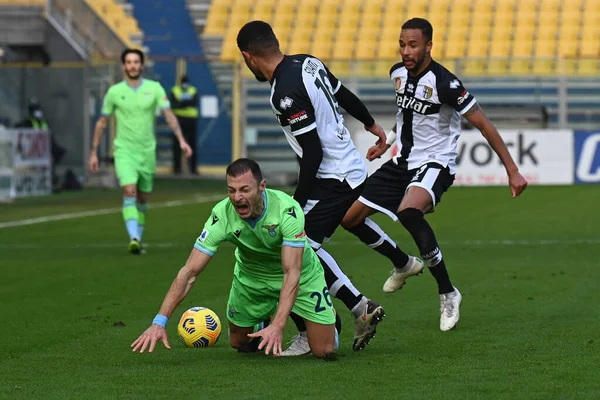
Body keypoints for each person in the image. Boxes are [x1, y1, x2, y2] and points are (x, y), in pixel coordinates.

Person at [341, 18, 528, 331]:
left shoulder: (445, 83)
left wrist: (513, 170)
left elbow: (483, 124)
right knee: (349, 218)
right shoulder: (397, 74)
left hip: (435, 164)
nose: (406, 51)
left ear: (429, 46)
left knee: (409, 212)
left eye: (413, 45)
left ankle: (448, 292)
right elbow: (405, 118)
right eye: (402, 44)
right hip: (402, 163)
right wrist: (385, 141)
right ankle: (402, 262)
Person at [237, 21, 388, 355]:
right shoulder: (308, 62)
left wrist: (295, 204)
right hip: (347, 172)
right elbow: (343, 94)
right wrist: (372, 125)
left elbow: (314, 152)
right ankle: (353, 309)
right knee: (302, 247)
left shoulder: (282, 93)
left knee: (289, 245)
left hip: (333, 179)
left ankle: (323, 325)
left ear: (248, 57)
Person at [131, 158, 337, 359]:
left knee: (325, 350)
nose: (237, 197)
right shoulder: (222, 215)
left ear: (261, 186)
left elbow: (292, 272)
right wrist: (159, 321)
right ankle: (262, 320)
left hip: (301, 276)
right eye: (231, 190)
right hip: (252, 276)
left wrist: (279, 326)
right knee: (238, 343)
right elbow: (190, 271)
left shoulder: (287, 210)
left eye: (244, 190)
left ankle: (323, 322)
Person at [88, 48, 193, 254]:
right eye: (129, 62)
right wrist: (94, 151)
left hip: (147, 152)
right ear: (123, 66)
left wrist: (182, 140)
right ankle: (134, 237)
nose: (133, 65)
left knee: (143, 197)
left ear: (141, 65)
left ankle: (138, 235)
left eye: (136, 62)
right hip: (124, 151)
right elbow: (102, 122)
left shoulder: (154, 89)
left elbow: (169, 115)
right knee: (130, 191)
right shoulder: (114, 92)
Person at [169, 75, 199, 175]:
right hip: (178, 120)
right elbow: (174, 105)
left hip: (191, 120)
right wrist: (186, 103)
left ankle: (193, 169)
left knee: (192, 145)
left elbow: (194, 102)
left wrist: (181, 103)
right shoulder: (174, 90)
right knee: (176, 145)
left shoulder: (193, 90)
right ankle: (177, 169)